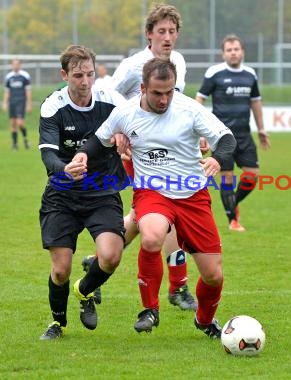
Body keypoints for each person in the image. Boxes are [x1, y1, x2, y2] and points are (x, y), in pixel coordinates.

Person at [75, 58, 236, 338]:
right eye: (157, 93)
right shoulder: (125, 113)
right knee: (151, 237)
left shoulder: (188, 109)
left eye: (169, 92)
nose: (164, 99)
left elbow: (227, 139)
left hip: (193, 194)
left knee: (213, 275)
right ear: (142, 88)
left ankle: (204, 320)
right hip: (152, 191)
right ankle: (149, 310)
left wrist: (218, 159)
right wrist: (84, 155)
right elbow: (97, 140)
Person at [86, 3, 196, 312]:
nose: (167, 37)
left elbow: (179, 102)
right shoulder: (134, 65)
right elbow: (106, 92)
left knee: (144, 217)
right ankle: (178, 285)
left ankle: (97, 263)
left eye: (172, 31)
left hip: (172, 148)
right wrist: (120, 128)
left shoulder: (178, 61)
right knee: (169, 208)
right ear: (149, 34)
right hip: (140, 152)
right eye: (161, 31)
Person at [38, 45, 128, 340]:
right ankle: (58, 324)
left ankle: (84, 290)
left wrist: (124, 134)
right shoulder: (54, 106)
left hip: (102, 192)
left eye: (90, 74)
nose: (86, 81)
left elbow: (138, 125)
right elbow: (48, 155)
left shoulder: (112, 101)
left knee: (111, 256)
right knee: (60, 269)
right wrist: (63, 170)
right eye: (78, 75)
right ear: (64, 75)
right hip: (62, 194)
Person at [195, 34, 270, 232]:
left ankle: (232, 203)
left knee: (252, 175)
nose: (233, 53)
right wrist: (198, 129)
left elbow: (256, 102)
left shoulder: (250, 74)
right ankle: (232, 220)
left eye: (236, 49)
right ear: (223, 54)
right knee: (227, 178)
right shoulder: (214, 73)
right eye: (229, 50)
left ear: (242, 51)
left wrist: (261, 128)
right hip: (221, 136)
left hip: (244, 135)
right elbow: (200, 99)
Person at [2, 58, 32, 150]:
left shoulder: (25, 76)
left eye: (17, 64)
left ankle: (25, 139)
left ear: (20, 65)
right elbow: (7, 92)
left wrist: (29, 104)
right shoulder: (9, 77)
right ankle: (15, 144)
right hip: (12, 102)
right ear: (12, 65)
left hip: (21, 102)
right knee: (13, 124)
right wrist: (5, 103)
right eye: (13, 64)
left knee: (20, 123)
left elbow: (28, 91)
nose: (15, 66)